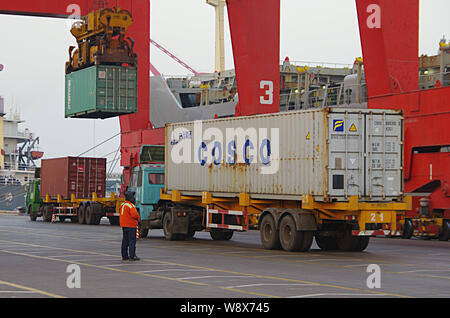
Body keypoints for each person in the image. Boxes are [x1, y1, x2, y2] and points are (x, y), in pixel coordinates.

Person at [120, 191, 141, 261]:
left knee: (125, 241)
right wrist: (139, 218)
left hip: (124, 225)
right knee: (132, 241)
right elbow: (135, 215)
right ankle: (132, 256)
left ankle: (124, 256)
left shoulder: (122, 205)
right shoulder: (131, 206)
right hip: (131, 225)